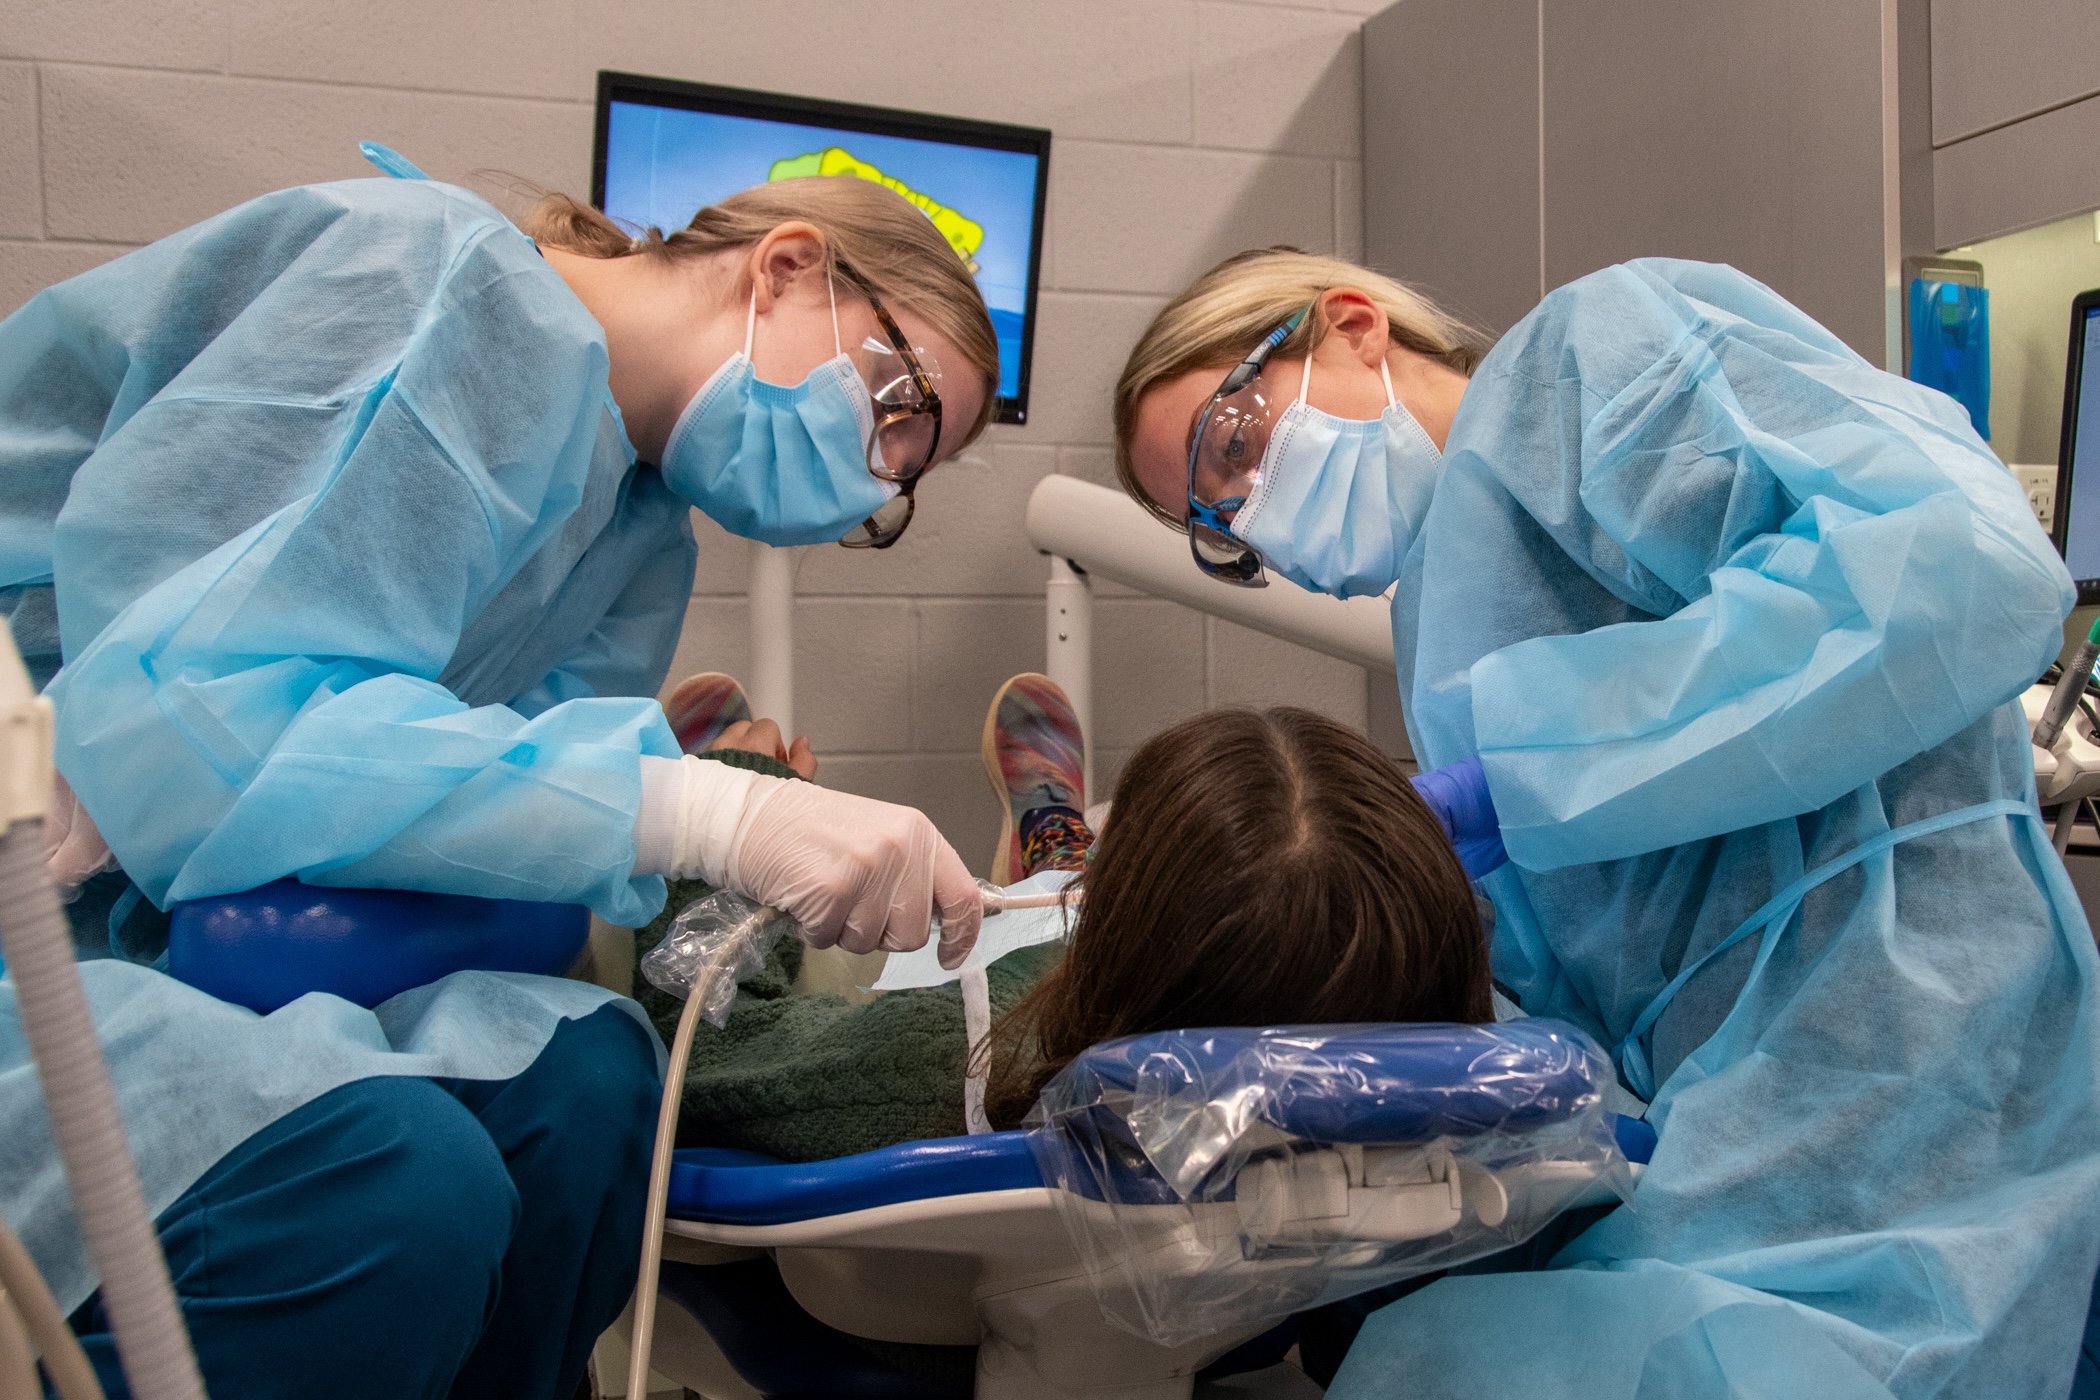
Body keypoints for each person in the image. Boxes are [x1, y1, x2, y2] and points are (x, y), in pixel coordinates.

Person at [0, 149, 998, 1400]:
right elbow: (184, 729)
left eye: (905, 477)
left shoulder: (635, 536)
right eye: (896, 403)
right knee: (397, 1186)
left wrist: (681, 829)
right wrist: (709, 805)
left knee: (588, 1082)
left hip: (216, 926)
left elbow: (488, 824)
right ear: (788, 266)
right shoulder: (432, 283)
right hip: (48, 908)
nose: (877, 470)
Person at [1111, 248, 2100, 1398]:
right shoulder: (1444, 622)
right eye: (1218, 522)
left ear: (1348, 324)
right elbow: (1592, 945)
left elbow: (1960, 564)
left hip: (1907, 1076)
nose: (1254, 517)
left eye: (1234, 446)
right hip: (1730, 1125)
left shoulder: (1587, 361)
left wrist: (1525, 775)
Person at [635, 674, 1489, 1161]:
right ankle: (1053, 852)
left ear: (1109, 920)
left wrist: (730, 819)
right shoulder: (1478, 1087)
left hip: (915, 1332)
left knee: (849, 944)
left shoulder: (958, 1063)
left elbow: (703, 1055)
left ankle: (1059, 861)